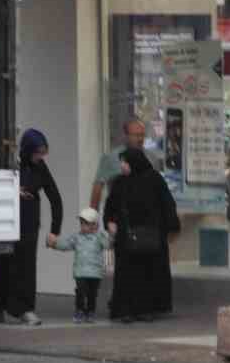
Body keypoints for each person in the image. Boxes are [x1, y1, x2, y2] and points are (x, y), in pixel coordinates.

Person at [0, 128, 63, 326]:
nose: (40, 157)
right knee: (4, 264)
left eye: (42, 153)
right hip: (7, 221)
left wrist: (55, 230)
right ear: (28, 149)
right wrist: (14, 191)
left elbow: (55, 197)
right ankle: (0, 302)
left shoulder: (40, 168)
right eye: (38, 152)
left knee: (27, 266)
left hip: (29, 223)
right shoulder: (11, 163)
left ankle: (26, 309)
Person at [103, 148, 180, 322]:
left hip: (150, 236)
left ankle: (145, 309)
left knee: (147, 272)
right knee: (127, 274)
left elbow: (167, 204)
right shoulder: (119, 183)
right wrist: (109, 222)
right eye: (121, 161)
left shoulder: (154, 180)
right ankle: (126, 310)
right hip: (126, 237)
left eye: (125, 161)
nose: (122, 165)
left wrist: (170, 227)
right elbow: (111, 206)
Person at [48, 207, 111, 322]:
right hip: (80, 272)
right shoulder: (77, 237)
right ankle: (79, 311)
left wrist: (110, 235)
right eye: (81, 223)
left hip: (95, 273)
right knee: (80, 292)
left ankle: (90, 312)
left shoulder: (99, 237)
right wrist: (55, 244)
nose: (82, 226)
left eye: (85, 224)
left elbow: (107, 245)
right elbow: (66, 244)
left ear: (94, 225)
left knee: (92, 294)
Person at [90, 118, 151, 210]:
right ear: (126, 136)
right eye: (136, 135)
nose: (140, 139)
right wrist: (93, 216)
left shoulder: (150, 158)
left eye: (142, 135)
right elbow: (98, 187)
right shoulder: (111, 158)